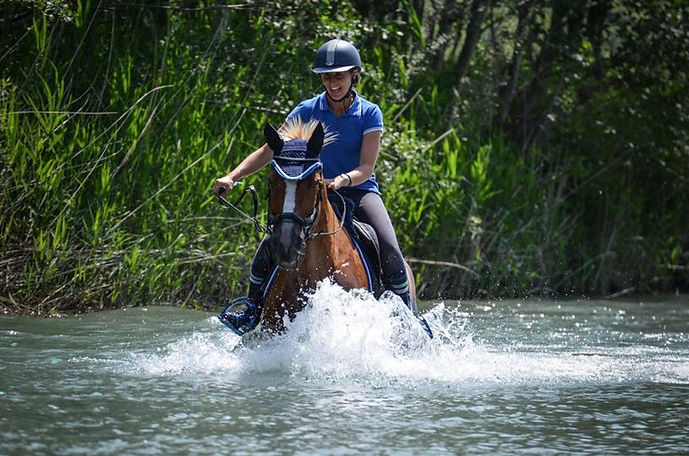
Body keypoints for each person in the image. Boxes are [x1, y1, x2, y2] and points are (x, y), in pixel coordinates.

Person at [213, 38, 412, 319]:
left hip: (358, 190)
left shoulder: (369, 113)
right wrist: (232, 176)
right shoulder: (306, 110)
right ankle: (252, 311)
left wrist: (342, 180)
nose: (333, 83)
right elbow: (270, 150)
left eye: (339, 76)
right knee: (269, 247)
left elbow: (366, 167)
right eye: (327, 76)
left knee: (390, 249)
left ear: (354, 74)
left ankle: (408, 318)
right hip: (311, 192)